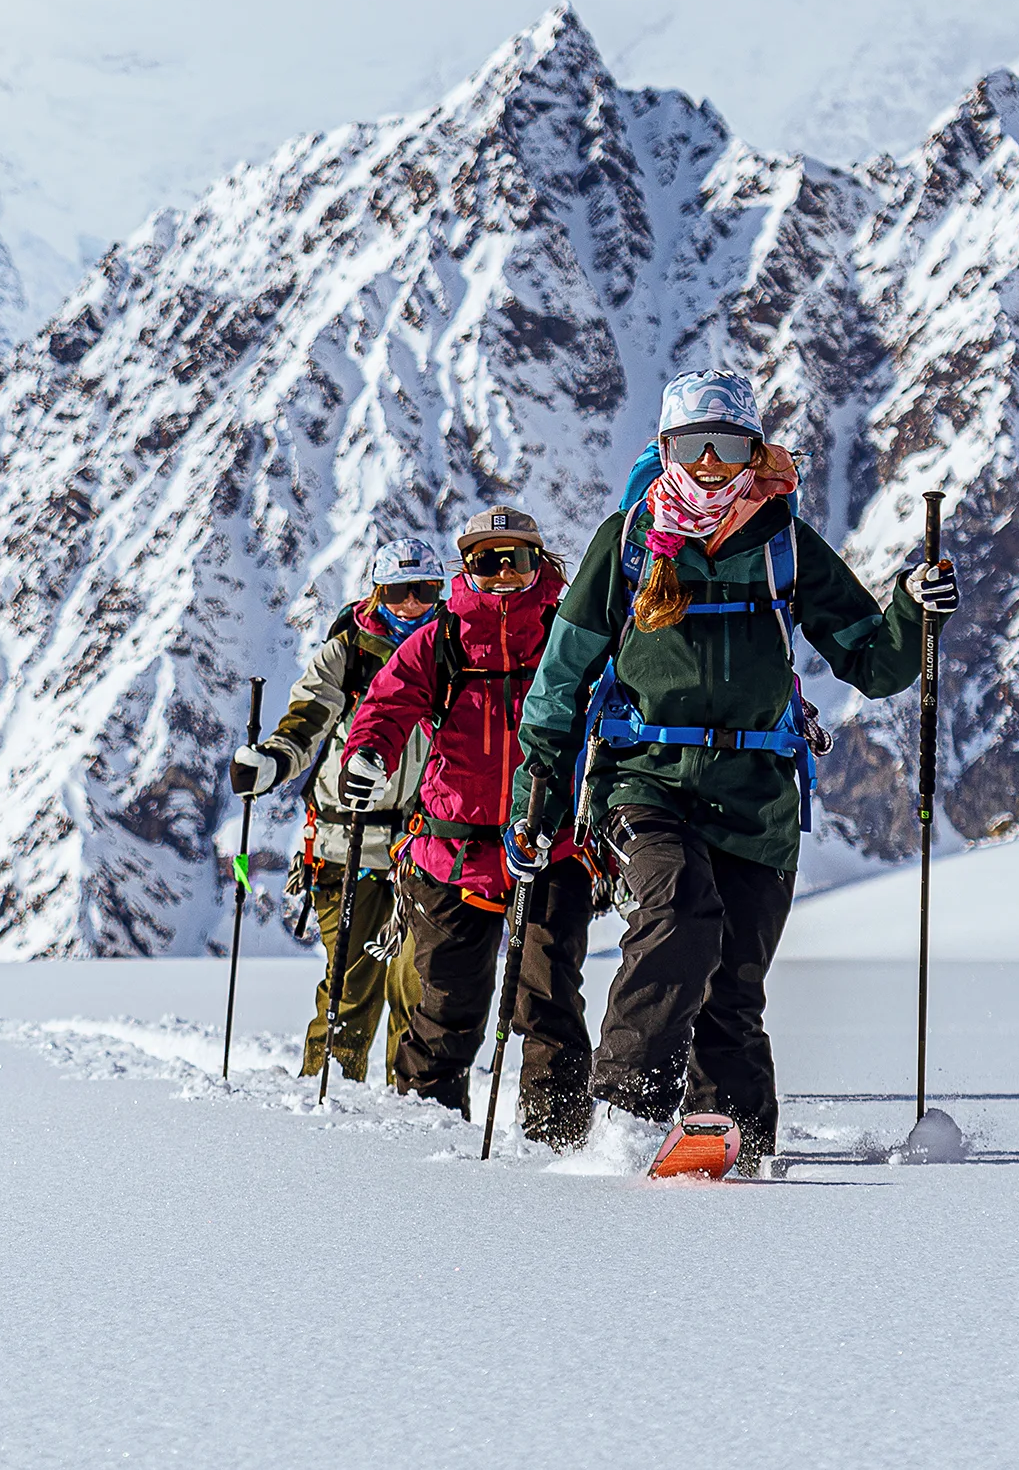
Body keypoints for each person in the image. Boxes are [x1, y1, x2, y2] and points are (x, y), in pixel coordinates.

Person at [515, 370, 960, 1169]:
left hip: (757, 795)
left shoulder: (783, 543)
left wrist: (911, 609)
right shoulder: (625, 541)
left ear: (755, 452)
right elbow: (560, 679)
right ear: (665, 449)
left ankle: (735, 1148)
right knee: (681, 914)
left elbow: (871, 661)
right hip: (644, 778)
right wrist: (535, 802)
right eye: (695, 445)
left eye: (730, 446)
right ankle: (624, 1114)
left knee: (734, 990)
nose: (713, 464)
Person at [339, 505, 598, 1147]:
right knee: (446, 1010)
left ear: (542, 563)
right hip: (448, 854)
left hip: (549, 846)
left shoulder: (572, 631)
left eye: (518, 558)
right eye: (488, 558)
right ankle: (428, 1147)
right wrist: (368, 753)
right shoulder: (443, 639)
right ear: (467, 566)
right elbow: (388, 702)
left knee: (548, 1002)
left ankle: (555, 1148)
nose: (504, 572)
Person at [228, 540, 443, 1084]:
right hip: (345, 846)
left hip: (428, 847)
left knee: (421, 990)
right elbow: (305, 723)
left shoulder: (454, 653)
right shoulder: (346, 656)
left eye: (426, 590)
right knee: (351, 985)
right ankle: (330, 1109)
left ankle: (412, 1110)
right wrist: (269, 764)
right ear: (378, 593)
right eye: (400, 591)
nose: (414, 604)